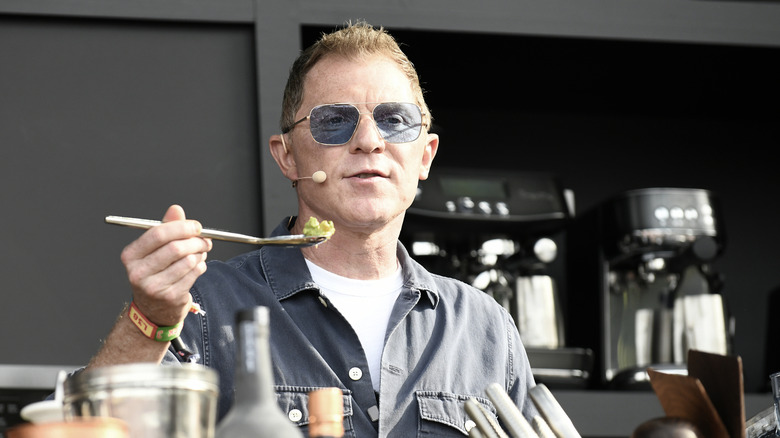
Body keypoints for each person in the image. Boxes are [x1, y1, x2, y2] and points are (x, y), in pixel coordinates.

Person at [84, 20, 539, 437]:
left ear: (425, 155)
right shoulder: (204, 305)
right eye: (334, 122)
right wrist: (149, 322)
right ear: (287, 157)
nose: (368, 140)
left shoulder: (486, 329)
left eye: (394, 120)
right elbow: (83, 429)